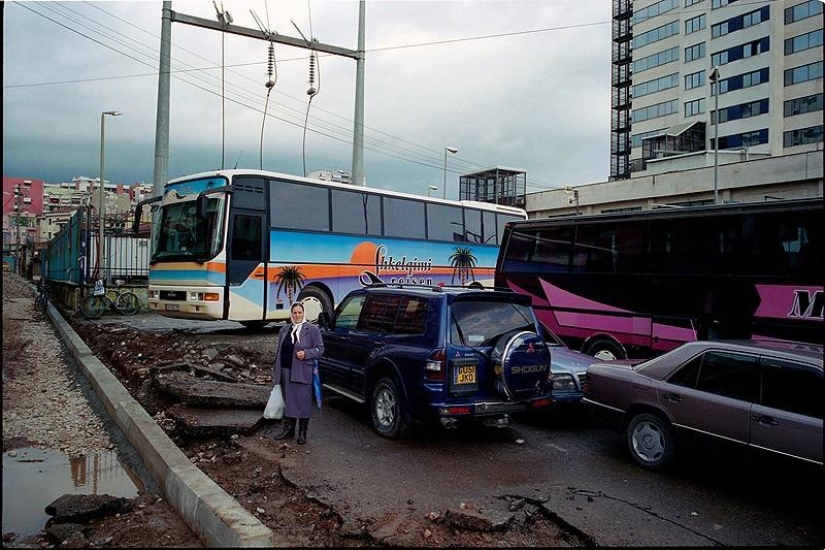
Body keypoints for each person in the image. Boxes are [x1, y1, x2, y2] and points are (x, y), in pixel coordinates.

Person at [271, 302, 324, 444]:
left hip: (302, 371)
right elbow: (279, 350)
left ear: (304, 313)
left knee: (303, 402)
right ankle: (289, 430)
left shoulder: (312, 330)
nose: (297, 315)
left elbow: (320, 349)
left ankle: (302, 433)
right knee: (289, 402)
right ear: (291, 314)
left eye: (300, 312)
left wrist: (306, 353)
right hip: (286, 371)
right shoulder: (284, 330)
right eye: (294, 312)